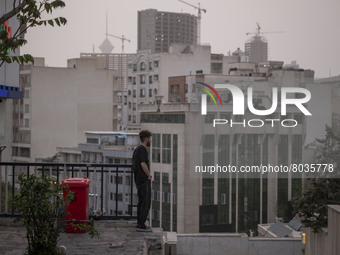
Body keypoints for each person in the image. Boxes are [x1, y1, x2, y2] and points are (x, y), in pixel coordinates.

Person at [132, 130, 152, 232]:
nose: (151, 140)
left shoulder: (136, 150)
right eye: (150, 138)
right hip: (144, 180)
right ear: (147, 138)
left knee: (140, 202)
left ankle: (139, 222)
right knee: (146, 202)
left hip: (138, 180)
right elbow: (143, 164)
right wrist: (149, 175)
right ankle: (142, 224)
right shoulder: (143, 150)